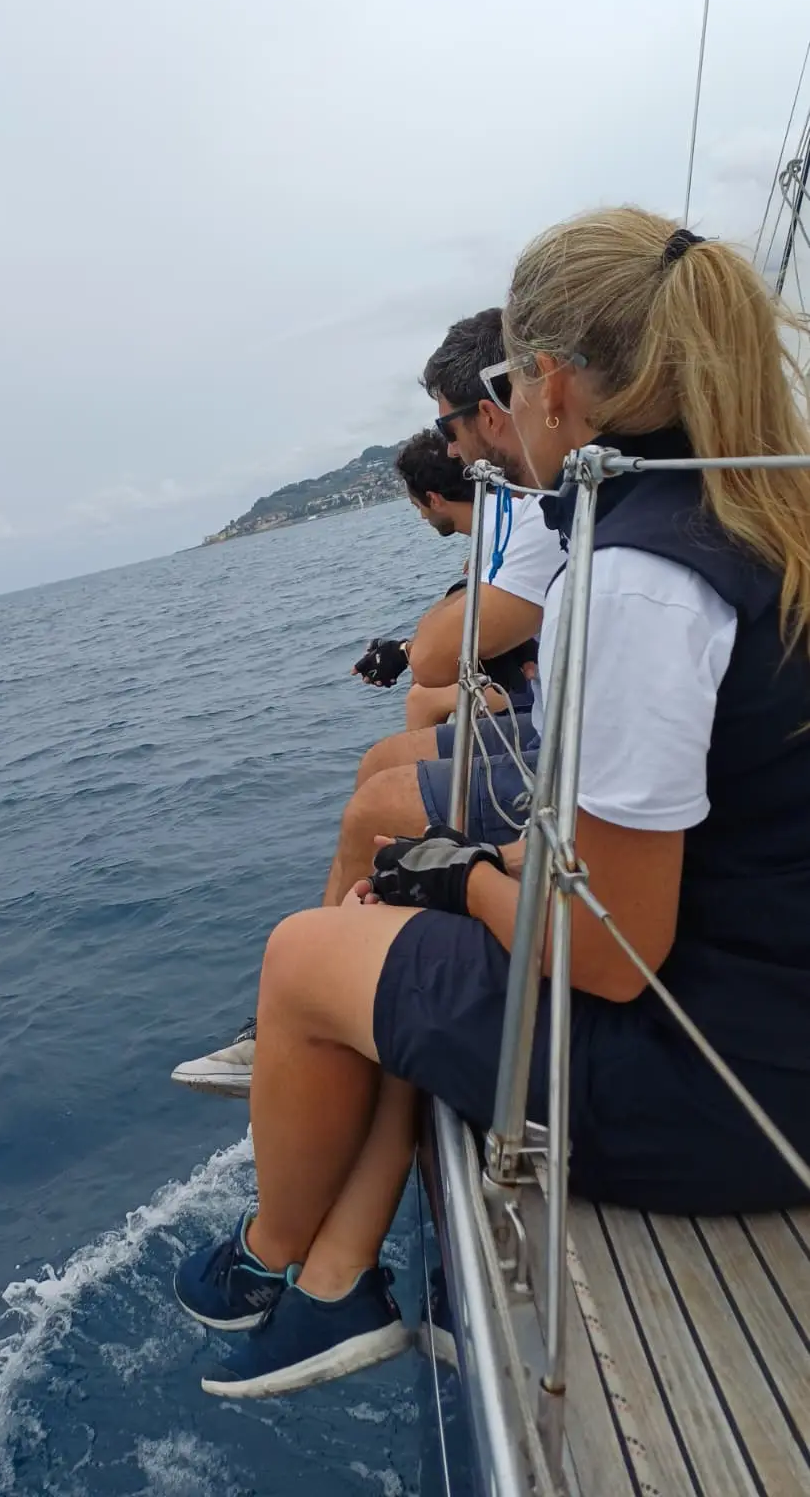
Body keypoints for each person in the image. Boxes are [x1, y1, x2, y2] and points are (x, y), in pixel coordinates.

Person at [174, 206, 810, 1401]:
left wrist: (463, 878)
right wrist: (470, 873)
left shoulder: (635, 583)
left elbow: (612, 957)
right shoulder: (754, 515)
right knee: (398, 910)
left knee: (304, 956)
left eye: (509, 382)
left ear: (554, 383)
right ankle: (334, 1286)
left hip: (728, 1089)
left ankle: (264, 1261)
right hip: (769, 1011)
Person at [170, 311, 564, 1093]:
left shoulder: (536, 508)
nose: (453, 451)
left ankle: (312, 1000)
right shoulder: (539, 508)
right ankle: (353, 970)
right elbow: (455, 632)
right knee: (385, 762)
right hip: (545, 717)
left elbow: (444, 651)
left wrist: (422, 649)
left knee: (373, 805)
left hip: (547, 736)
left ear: (496, 408)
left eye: (449, 428)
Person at [351, 428, 539, 731]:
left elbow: (438, 654)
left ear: (434, 500)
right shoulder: (503, 515)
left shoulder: (499, 535)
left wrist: (403, 652)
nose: (422, 517)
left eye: (418, 507)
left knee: (419, 699)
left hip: (539, 685)